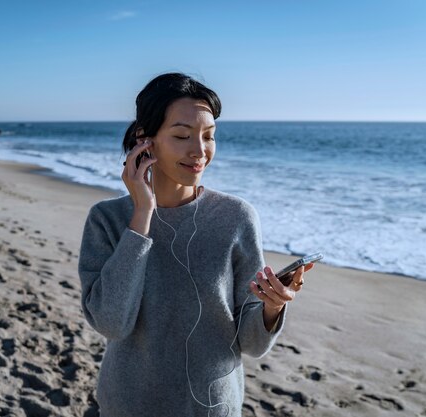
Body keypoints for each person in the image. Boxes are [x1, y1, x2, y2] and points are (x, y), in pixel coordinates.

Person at [78, 72, 313, 417]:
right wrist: (142, 215)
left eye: (209, 136)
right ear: (146, 139)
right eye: (182, 135)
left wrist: (272, 308)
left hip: (213, 408)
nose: (199, 151)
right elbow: (111, 323)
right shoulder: (107, 220)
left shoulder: (236, 217)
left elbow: (251, 343)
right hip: (128, 405)